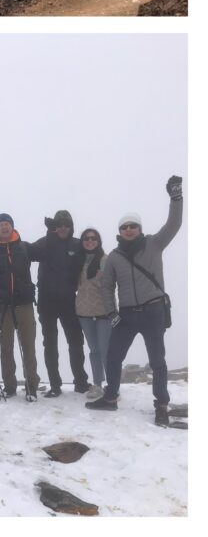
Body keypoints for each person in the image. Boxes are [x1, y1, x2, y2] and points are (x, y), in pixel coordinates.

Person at [88, 176, 184, 426]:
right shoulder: (114, 258)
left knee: (157, 361)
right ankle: (110, 398)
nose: (129, 229)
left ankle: (161, 404)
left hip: (153, 312)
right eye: (124, 227)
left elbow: (173, 224)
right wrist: (112, 312)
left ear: (139, 228)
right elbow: (107, 287)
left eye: (133, 226)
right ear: (119, 231)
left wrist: (176, 198)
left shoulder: (154, 244)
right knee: (113, 356)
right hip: (127, 315)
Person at [29, 210, 90, 396]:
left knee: (76, 342)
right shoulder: (45, 242)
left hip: (69, 300)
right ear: (55, 226)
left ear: (71, 227)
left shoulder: (77, 245)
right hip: (46, 301)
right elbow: (26, 253)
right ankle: (55, 386)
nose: (63, 228)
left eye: (67, 225)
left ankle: (81, 382)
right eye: (59, 225)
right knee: (50, 344)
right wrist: (50, 235)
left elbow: (94, 258)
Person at [0, 213, 41, 401]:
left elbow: (45, 251)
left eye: (7, 224)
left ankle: (32, 385)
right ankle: (9, 386)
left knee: (28, 346)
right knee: (6, 346)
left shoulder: (24, 247)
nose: (4, 227)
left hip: (24, 303)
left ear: (12, 226)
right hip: (3, 306)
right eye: (1, 225)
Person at [74, 228, 113, 399]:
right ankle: (98, 384)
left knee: (106, 350)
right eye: (86, 239)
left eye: (93, 238)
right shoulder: (78, 261)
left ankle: (113, 386)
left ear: (98, 241)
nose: (90, 241)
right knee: (94, 350)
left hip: (103, 312)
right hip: (84, 312)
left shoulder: (105, 260)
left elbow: (111, 285)